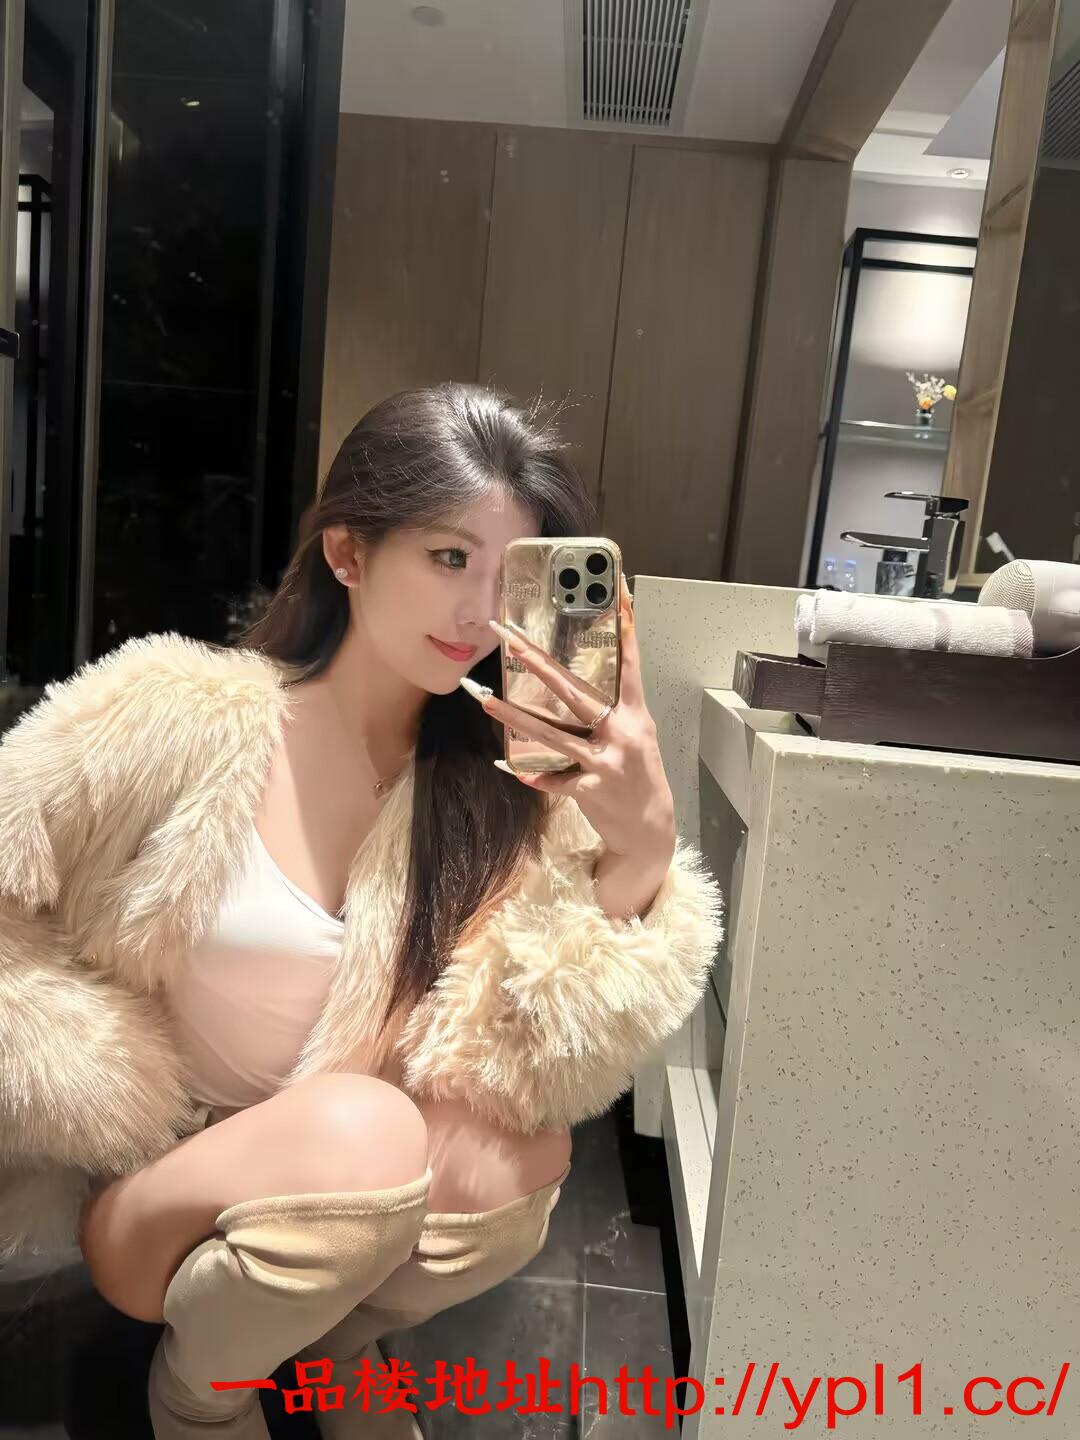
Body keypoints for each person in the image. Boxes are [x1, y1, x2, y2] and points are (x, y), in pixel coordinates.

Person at [0, 384, 724, 1439]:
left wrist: (641, 851)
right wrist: (87, 1080)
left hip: (349, 1190)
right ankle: (200, 1393)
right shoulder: (178, 714)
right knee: (370, 1126)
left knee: (517, 1163)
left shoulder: (500, 796)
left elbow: (524, 1066)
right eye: (449, 557)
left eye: (508, 575)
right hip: (159, 1190)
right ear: (348, 553)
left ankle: (328, 1339)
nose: (478, 612)